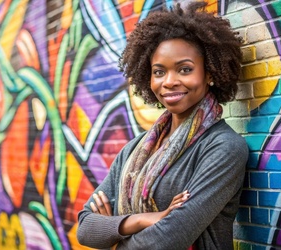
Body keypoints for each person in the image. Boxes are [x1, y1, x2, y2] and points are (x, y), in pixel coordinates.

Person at [77, 1, 248, 249]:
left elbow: (167, 240)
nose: (169, 82)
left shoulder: (223, 148)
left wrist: (114, 228)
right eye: (159, 72)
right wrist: (141, 220)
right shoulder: (135, 150)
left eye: (184, 69)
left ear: (209, 73)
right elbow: (85, 228)